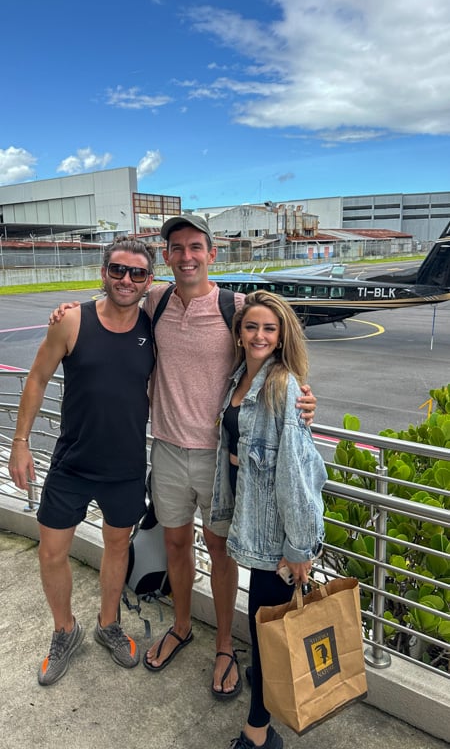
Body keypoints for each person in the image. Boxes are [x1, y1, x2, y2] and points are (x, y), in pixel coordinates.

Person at [51, 214, 317, 699]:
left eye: (196, 247)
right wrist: (70, 308)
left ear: (212, 254)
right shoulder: (157, 299)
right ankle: (180, 625)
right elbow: (113, 300)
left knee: (219, 551)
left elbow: (273, 345)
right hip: (168, 450)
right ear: (166, 257)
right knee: (175, 544)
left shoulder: (233, 307)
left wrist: (302, 394)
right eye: (177, 248)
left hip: (219, 458)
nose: (187, 256)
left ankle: (222, 645)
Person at [8, 236, 155, 686]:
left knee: (116, 547)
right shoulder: (72, 321)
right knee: (51, 553)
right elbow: (36, 378)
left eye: (136, 273)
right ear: (103, 271)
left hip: (125, 465)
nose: (125, 280)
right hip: (71, 462)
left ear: (149, 280)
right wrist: (20, 441)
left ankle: (107, 623)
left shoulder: (154, 325)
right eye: (116, 270)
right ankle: (64, 630)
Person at [210, 290, 327, 749]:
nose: (259, 335)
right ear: (239, 334)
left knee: (263, 632)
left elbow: (296, 472)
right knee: (264, 626)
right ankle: (269, 693)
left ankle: (258, 733)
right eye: (251, 327)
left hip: (277, 536)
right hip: (250, 524)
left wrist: (300, 548)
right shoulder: (239, 379)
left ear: (281, 337)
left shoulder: (284, 386)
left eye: (269, 328)